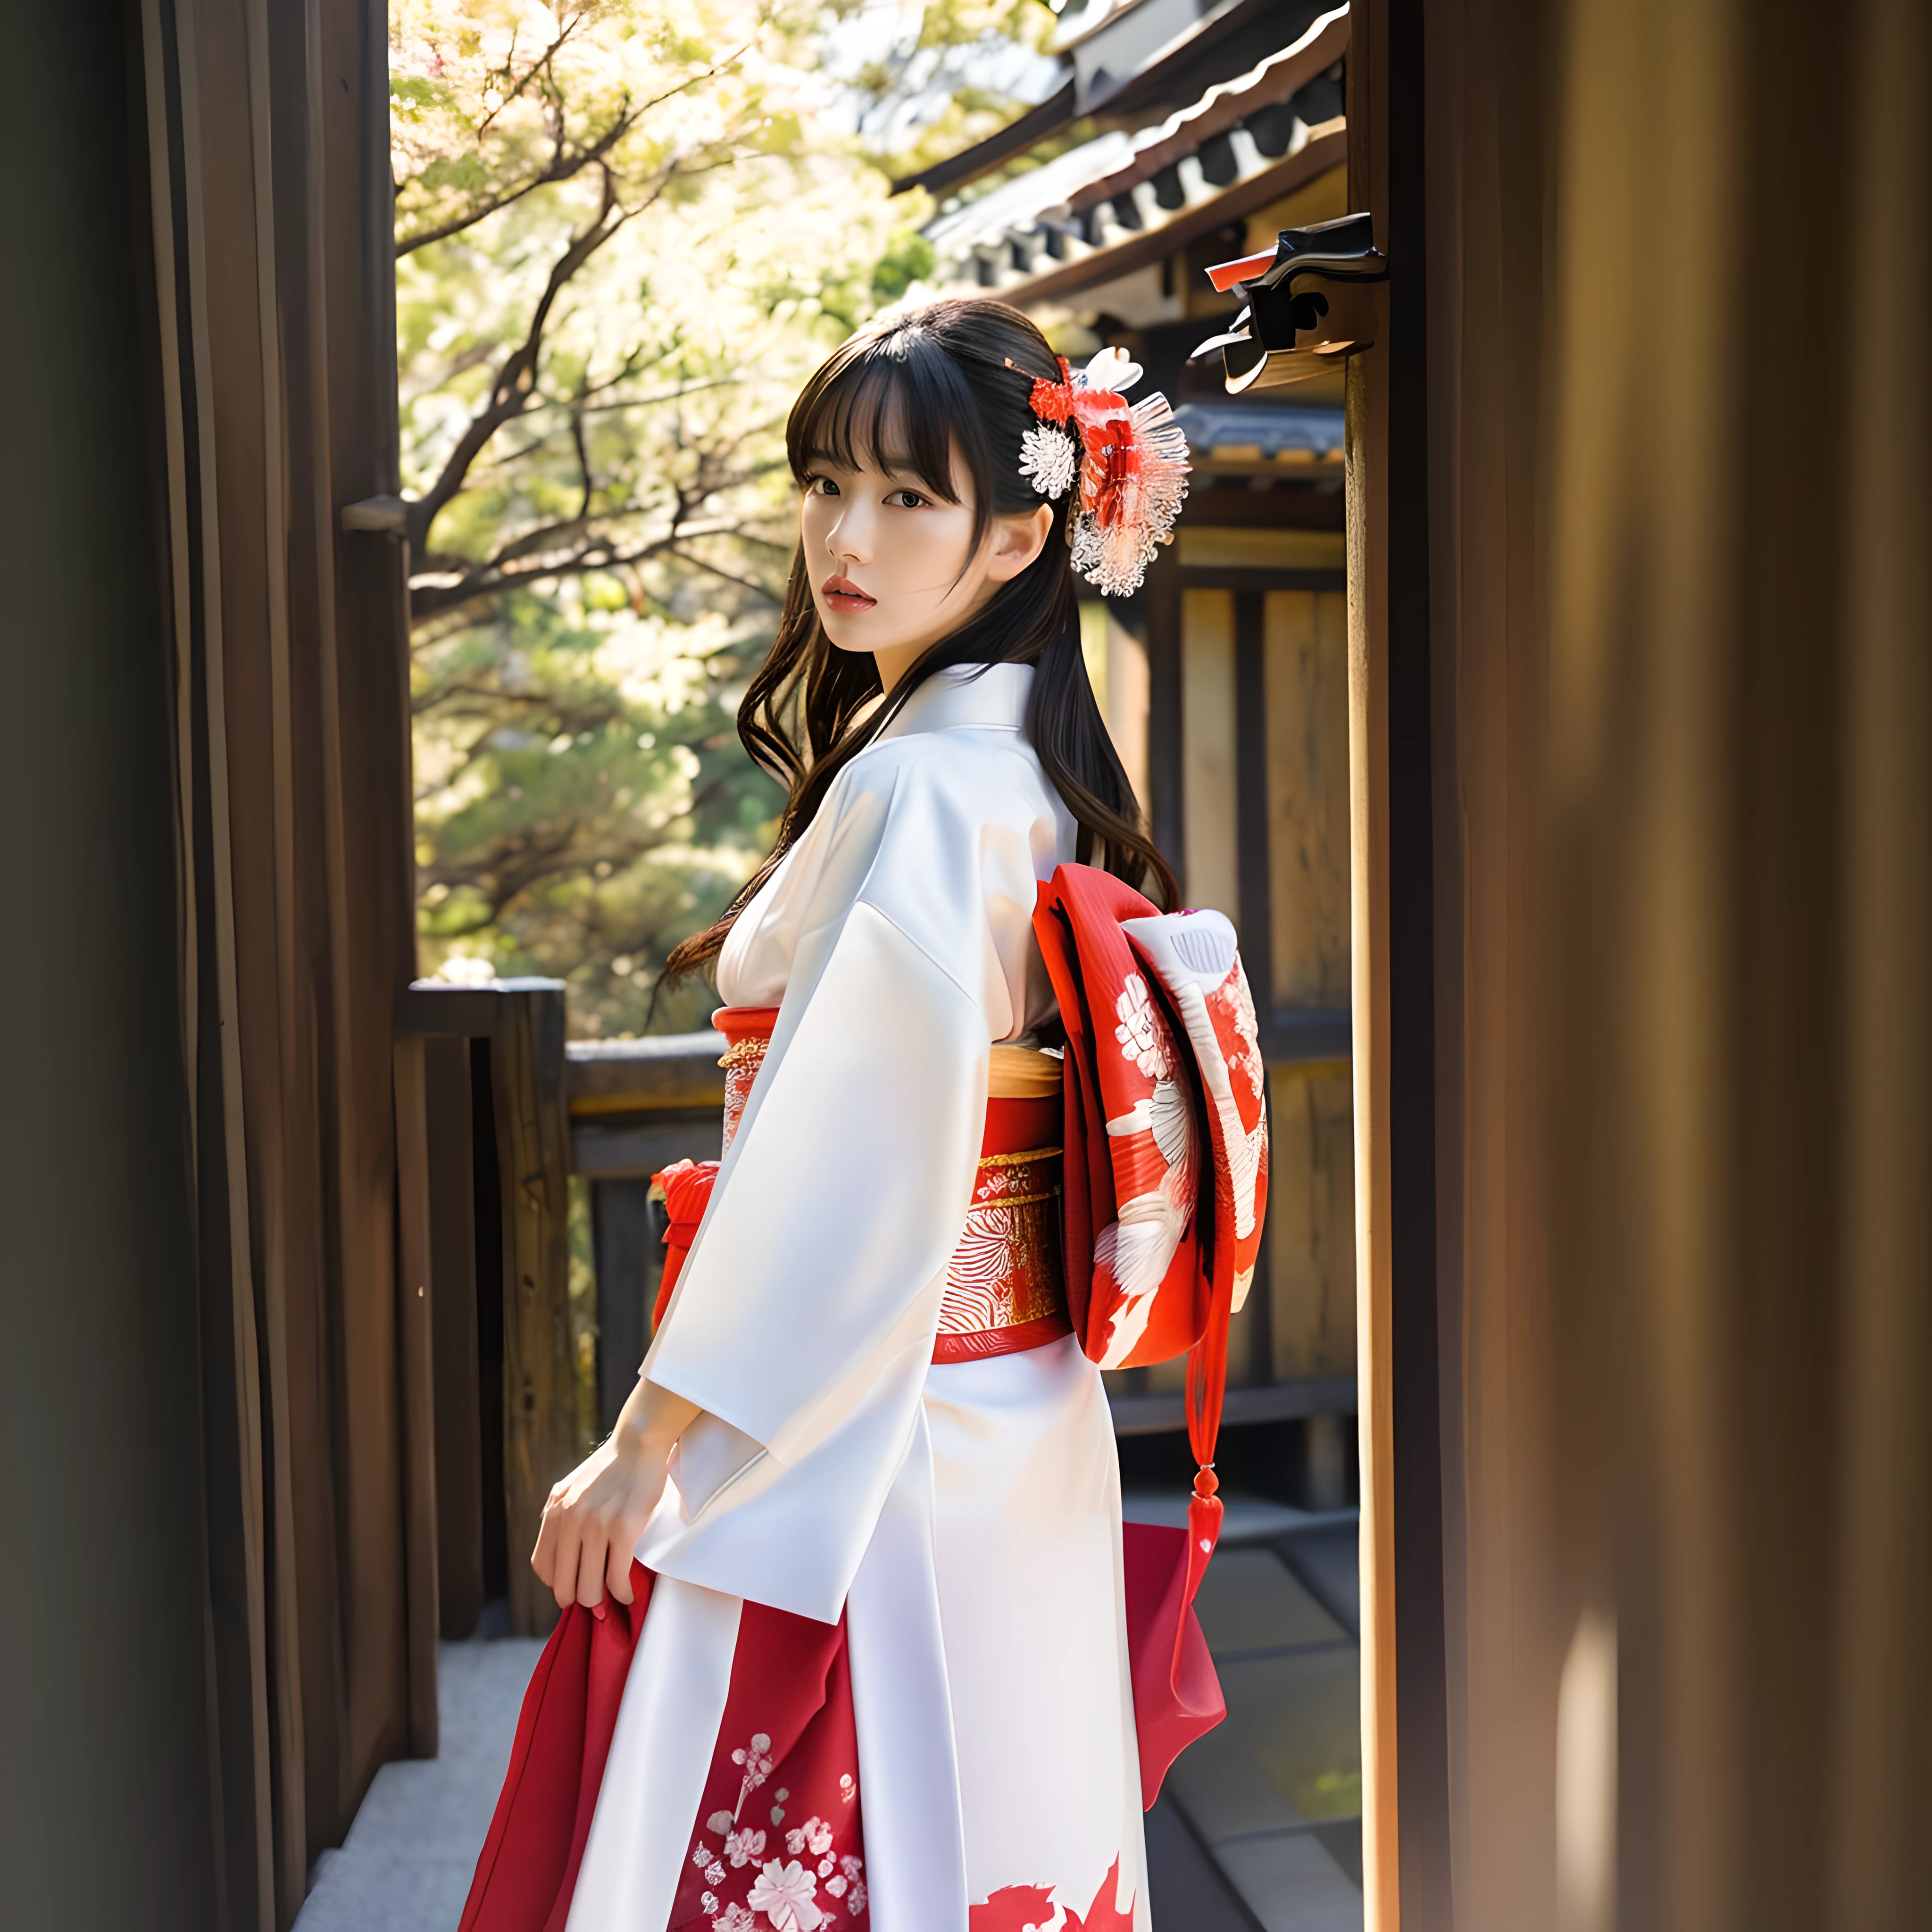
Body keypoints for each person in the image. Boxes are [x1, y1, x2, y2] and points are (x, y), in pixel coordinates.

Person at [498, 298, 1194, 1932]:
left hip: (879, 1415)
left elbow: (842, 1156)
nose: (844, 540)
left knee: (843, 1836)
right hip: (1010, 1406)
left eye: (905, 498)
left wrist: (644, 1445)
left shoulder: (922, 783)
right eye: (825, 485)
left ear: (1020, 537)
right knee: (998, 1823)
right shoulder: (1016, 773)